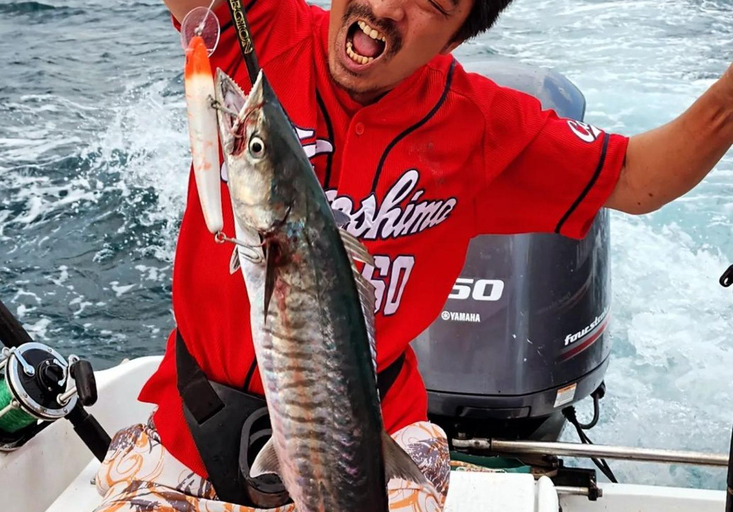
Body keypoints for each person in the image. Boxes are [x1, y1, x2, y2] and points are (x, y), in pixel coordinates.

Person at [92, 0, 733, 510]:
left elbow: (640, 177)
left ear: (458, 33)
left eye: (431, 1)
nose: (388, 4)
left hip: (379, 437)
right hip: (192, 429)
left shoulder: (482, 128)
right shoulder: (257, 29)